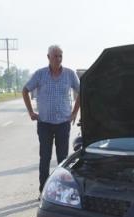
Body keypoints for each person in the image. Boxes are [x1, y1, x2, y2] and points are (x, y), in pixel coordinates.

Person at [22, 45, 81, 193]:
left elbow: (81, 91)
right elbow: (25, 90)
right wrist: (30, 111)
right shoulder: (40, 74)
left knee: (63, 160)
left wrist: (74, 112)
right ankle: (43, 191)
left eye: (60, 56)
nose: (58, 59)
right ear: (48, 57)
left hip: (63, 123)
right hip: (44, 124)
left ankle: (61, 191)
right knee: (45, 158)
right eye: (55, 56)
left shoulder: (69, 74)